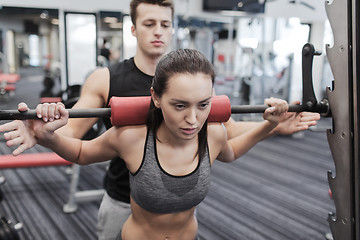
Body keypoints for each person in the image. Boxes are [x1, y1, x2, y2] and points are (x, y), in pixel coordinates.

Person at [0, 0, 320, 239]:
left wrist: (274, 126)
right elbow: (77, 135)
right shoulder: (106, 79)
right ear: (133, 28)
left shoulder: (188, 76)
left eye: (165, 25)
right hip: (125, 198)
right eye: (150, 23)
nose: (158, 32)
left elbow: (226, 132)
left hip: (181, 198)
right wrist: (44, 134)